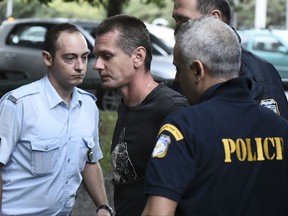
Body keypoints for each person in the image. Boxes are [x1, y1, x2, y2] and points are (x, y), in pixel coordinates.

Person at [142, 16, 288, 216]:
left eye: (178, 68)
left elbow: (157, 213)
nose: (177, 78)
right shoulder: (281, 128)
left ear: (197, 70)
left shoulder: (182, 129)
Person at [0, 23, 112, 216]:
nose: (79, 66)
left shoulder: (88, 106)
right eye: (70, 58)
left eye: (84, 57)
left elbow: (89, 161)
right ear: (48, 58)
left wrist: (103, 206)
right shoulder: (19, 105)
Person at [93, 14, 188, 216]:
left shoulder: (172, 109)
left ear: (138, 56)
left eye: (107, 56)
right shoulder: (126, 105)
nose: (97, 65)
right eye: (97, 56)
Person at [172, 0, 288, 119]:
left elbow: (272, 132)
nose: (176, 28)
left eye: (184, 21)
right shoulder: (185, 66)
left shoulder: (259, 76)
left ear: (215, 19)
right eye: (175, 20)